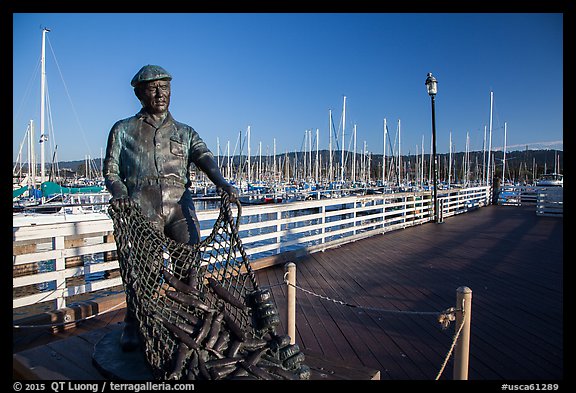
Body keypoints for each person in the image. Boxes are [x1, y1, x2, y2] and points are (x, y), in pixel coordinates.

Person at [103, 64, 238, 351]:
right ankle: (134, 321)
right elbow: (111, 171)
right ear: (139, 93)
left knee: (188, 266)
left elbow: (204, 156)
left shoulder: (185, 131)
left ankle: (190, 320)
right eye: (152, 88)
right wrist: (119, 192)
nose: (159, 92)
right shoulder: (123, 130)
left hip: (179, 205)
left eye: (164, 87)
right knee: (145, 270)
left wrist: (222, 182)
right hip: (142, 206)